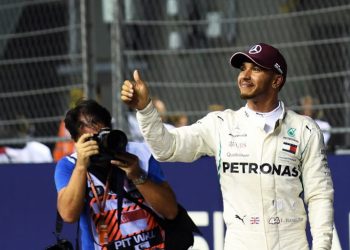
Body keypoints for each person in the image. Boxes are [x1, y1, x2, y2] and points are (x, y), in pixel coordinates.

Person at [121, 43, 334, 249]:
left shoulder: (304, 129)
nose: (245, 75)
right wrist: (145, 109)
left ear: (277, 80)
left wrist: (322, 247)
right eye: (243, 69)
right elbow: (166, 148)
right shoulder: (221, 124)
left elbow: (319, 195)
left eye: (256, 69)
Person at [54, 99, 178, 249]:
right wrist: (81, 166)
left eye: (103, 136)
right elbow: (68, 215)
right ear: (77, 142)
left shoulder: (140, 153)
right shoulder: (70, 165)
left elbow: (171, 211)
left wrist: (137, 175)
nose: (100, 144)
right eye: (92, 140)